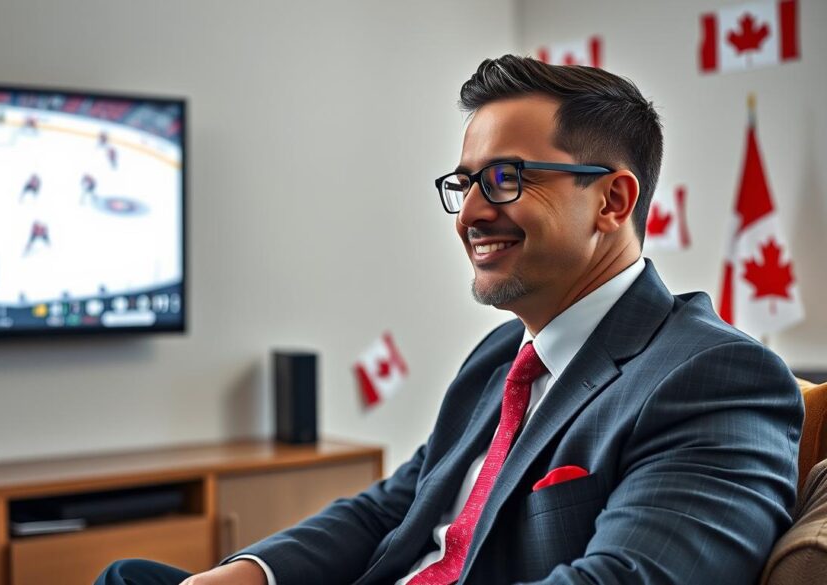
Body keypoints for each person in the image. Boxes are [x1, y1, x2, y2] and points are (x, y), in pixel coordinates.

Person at [97, 55, 802, 585]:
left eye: (505, 178)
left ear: (613, 201)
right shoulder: (498, 359)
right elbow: (389, 511)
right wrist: (251, 572)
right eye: (464, 183)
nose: (467, 214)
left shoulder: (714, 375)